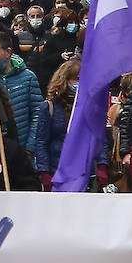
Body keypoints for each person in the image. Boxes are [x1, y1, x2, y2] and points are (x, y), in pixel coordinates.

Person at [32, 59, 107, 190]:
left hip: (86, 173)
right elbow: (41, 142)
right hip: (58, 171)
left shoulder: (92, 108)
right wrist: (44, 172)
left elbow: (100, 140)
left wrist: (102, 165)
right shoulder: (49, 107)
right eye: (77, 79)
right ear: (65, 80)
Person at [0, 33, 43, 158]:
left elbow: (38, 113)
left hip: (23, 151)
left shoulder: (28, 78)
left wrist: (30, 147)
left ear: (8, 52)